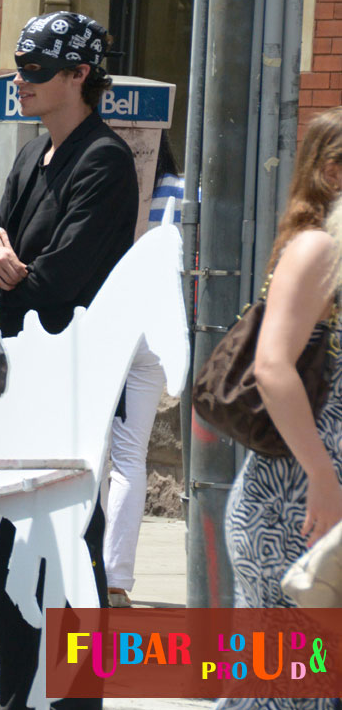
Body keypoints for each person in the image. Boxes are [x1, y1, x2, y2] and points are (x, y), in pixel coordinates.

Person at [0, 11, 138, 709]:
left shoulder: (102, 160)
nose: (20, 80)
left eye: (36, 69)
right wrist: (0, 266)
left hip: (66, 386)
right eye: (18, 65)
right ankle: (20, 698)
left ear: (79, 76)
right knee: (6, 556)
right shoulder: (28, 156)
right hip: (16, 383)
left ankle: (74, 699)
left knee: (65, 551)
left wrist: (7, 267)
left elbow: (52, 285)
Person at [220, 106, 342, 710]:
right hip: (295, 511)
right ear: (333, 173)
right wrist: (323, 478)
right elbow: (271, 367)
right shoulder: (317, 250)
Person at [104, 136, 184, 608]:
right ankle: (116, 578)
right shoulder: (181, 193)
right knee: (131, 456)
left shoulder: (108, 181)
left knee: (96, 457)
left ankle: (91, 569)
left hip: (113, 323)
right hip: (158, 328)